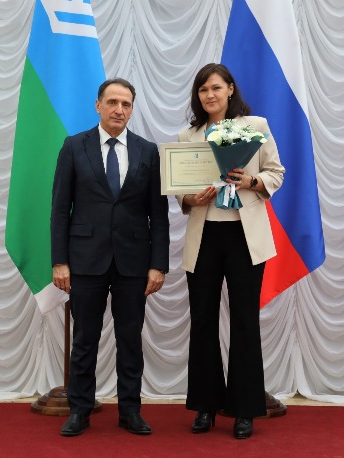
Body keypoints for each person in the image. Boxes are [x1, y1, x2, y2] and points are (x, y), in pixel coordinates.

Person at [51, 78, 170, 437]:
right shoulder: (74, 146)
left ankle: (130, 411)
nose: (119, 110)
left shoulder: (148, 151)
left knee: (130, 340)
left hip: (134, 262)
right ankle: (80, 410)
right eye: (113, 102)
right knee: (85, 339)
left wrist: (158, 264)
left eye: (126, 104)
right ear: (98, 105)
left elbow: (158, 214)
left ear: (132, 109)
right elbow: (60, 209)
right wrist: (59, 261)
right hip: (85, 260)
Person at [176, 63, 285, 439]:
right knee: (203, 322)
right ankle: (205, 406)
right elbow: (180, 189)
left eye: (216, 88)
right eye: (203, 89)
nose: (210, 95)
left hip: (244, 236)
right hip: (204, 236)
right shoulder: (188, 135)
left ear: (230, 89)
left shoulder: (255, 126)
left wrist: (252, 180)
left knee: (244, 322)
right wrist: (190, 198)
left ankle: (244, 409)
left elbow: (276, 172)